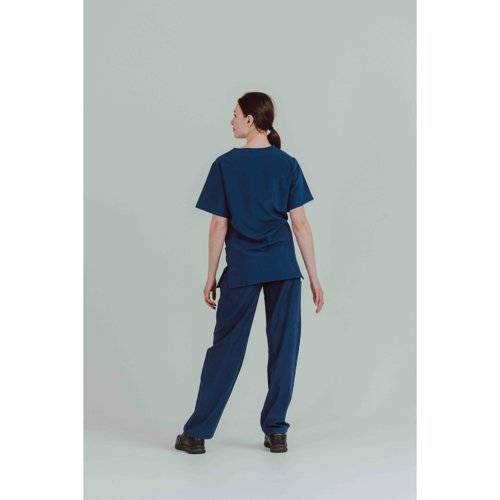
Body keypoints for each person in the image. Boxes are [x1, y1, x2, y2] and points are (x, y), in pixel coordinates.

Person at [175, 91, 324, 454]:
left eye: (235, 114)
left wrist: (211, 275)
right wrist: (314, 276)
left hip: (243, 268)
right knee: (284, 349)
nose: (231, 121)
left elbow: (218, 225)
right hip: (283, 268)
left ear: (251, 121)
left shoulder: (225, 165)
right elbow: (300, 224)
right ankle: (276, 431)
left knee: (225, 349)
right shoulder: (287, 164)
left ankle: (196, 434)